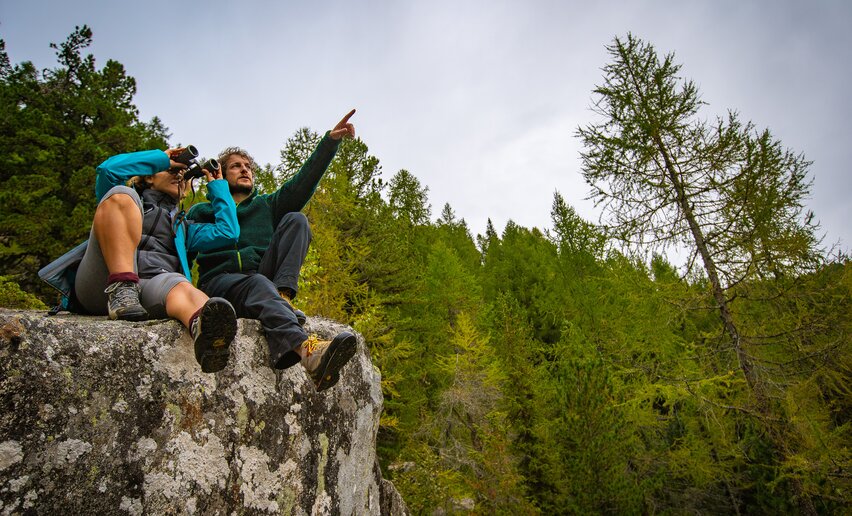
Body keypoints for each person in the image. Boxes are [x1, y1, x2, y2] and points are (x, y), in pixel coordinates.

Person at [187, 110, 358, 391]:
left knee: (297, 220)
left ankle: (282, 298)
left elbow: (303, 182)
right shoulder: (202, 211)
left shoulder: (266, 206)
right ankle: (309, 351)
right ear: (219, 174)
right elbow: (183, 254)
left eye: (248, 167)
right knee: (256, 283)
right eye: (235, 166)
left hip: (260, 280)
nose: (245, 169)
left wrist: (329, 143)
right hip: (220, 284)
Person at [41, 148, 241, 373]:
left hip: (149, 290)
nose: (178, 176)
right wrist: (161, 159)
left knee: (181, 286)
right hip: (103, 285)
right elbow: (108, 170)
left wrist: (217, 185)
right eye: (171, 171)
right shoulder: (127, 200)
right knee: (120, 195)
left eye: (183, 174)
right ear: (149, 176)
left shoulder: (184, 228)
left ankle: (206, 334)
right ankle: (122, 287)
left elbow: (228, 232)